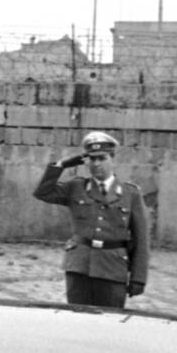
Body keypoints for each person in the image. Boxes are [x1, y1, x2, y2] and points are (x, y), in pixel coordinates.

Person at [33, 131, 150, 308]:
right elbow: (43, 192)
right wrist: (61, 165)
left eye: (102, 158)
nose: (96, 164)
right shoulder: (76, 187)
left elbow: (141, 239)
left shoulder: (130, 193)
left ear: (112, 159)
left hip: (113, 268)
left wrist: (138, 278)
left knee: (110, 322)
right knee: (78, 320)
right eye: (92, 159)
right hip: (79, 267)